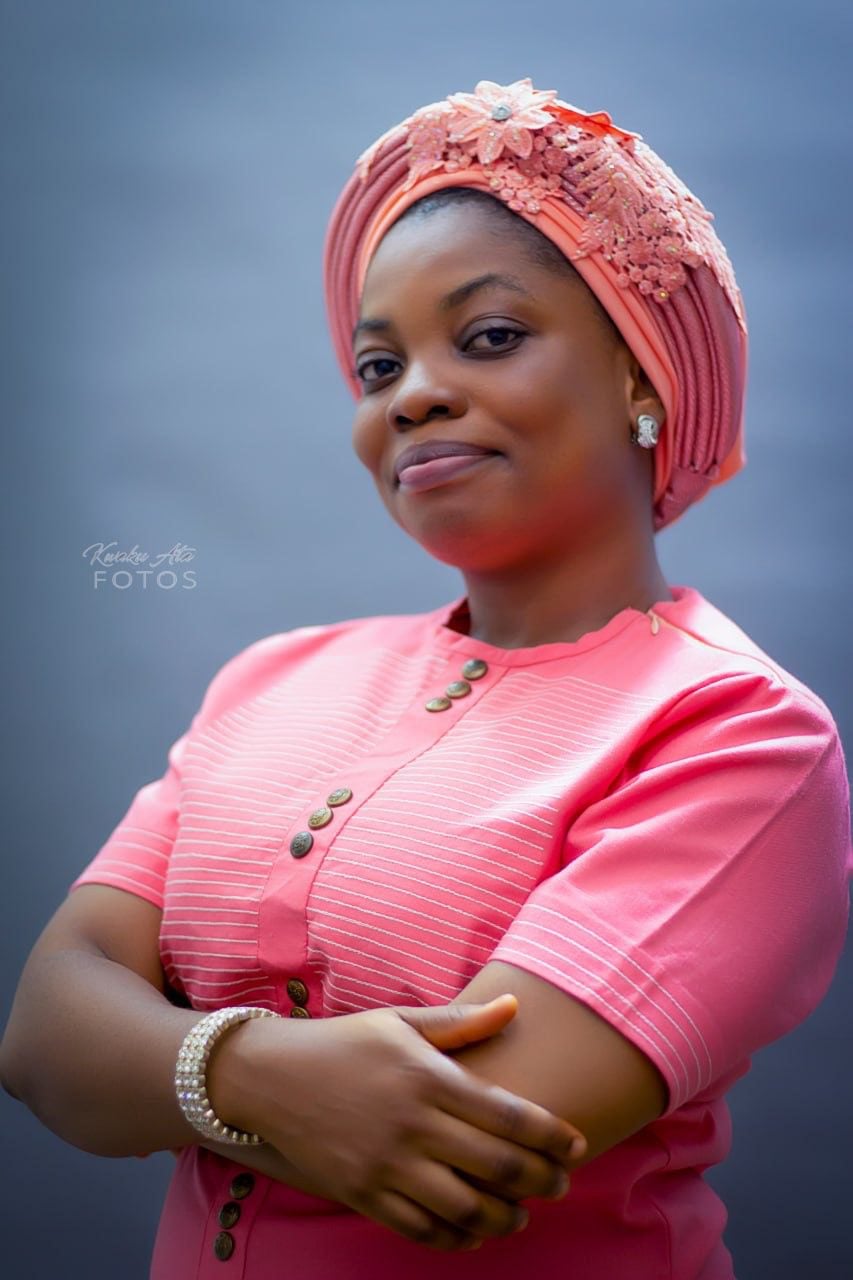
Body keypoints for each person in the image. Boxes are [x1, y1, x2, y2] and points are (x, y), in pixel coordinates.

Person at [1, 76, 851, 1280]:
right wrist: (249, 1072)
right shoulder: (270, 679)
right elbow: (42, 1035)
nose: (414, 395)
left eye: (488, 335)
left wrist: (159, 1061)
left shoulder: (736, 732)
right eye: (376, 365)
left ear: (642, 375)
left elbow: (465, 1141)